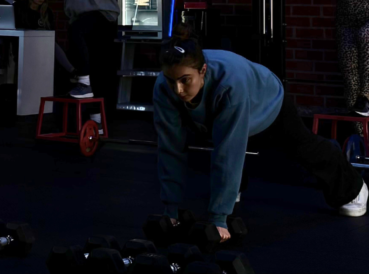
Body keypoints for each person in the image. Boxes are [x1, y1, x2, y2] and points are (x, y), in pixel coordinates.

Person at [153, 28, 367, 244]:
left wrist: (219, 218)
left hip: (265, 100)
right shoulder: (164, 87)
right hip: (215, 109)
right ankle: (231, 188)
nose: (178, 90)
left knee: (301, 146)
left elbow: (229, 151)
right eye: (172, 81)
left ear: (203, 70)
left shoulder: (229, 84)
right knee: (207, 138)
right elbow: (170, 148)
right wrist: (171, 211)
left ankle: (353, 188)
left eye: (185, 80)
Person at [14, 0, 76, 77]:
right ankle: (71, 70)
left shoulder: (46, 11)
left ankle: (71, 71)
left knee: (53, 44)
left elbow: (51, 31)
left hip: (44, 43)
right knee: (51, 45)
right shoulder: (21, 7)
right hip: (26, 41)